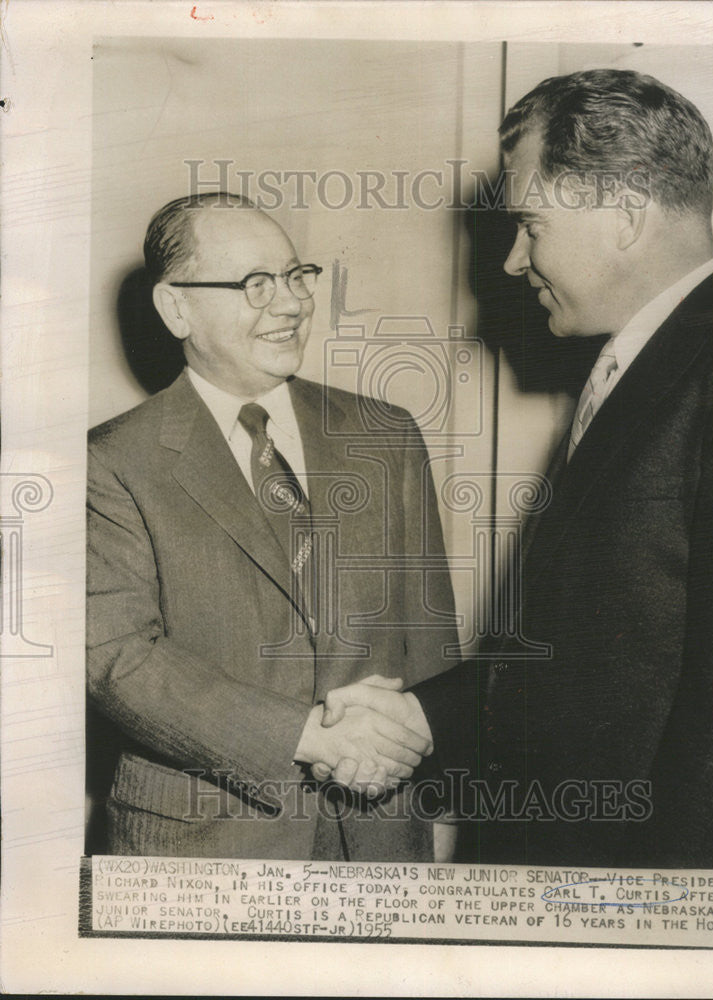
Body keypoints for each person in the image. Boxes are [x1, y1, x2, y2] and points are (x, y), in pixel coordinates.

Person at [316, 69, 713, 871]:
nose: (510, 262)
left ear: (625, 217)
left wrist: (692, 931)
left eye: (529, 224)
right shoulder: (654, 365)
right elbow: (601, 658)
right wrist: (424, 718)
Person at [86, 192, 458, 861]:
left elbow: (428, 641)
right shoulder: (111, 462)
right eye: (254, 284)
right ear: (177, 307)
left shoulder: (387, 434)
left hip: (377, 837)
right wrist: (310, 738)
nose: (288, 303)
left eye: (295, 277)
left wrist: (418, 742)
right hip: (203, 847)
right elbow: (119, 661)